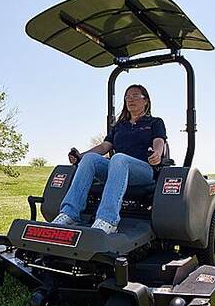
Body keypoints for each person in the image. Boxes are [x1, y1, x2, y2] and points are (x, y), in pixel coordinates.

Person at [52, 84, 167, 234]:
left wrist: (157, 154)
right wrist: (80, 156)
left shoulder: (155, 122)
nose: (130, 99)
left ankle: (107, 220)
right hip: (117, 169)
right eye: (127, 97)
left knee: (119, 158)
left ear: (145, 101)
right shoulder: (120, 126)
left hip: (143, 171)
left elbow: (159, 141)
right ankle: (69, 214)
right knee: (90, 159)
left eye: (135, 96)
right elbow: (103, 147)